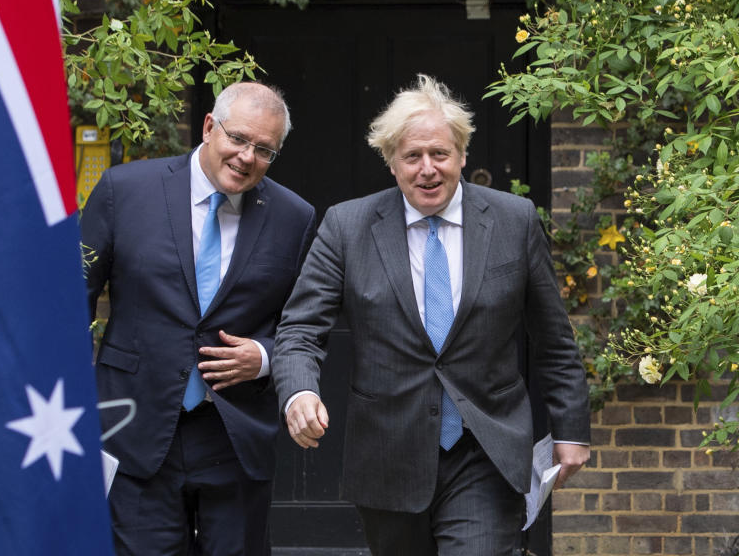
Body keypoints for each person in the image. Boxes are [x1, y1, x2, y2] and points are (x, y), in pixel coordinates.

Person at [272, 74, 590, 555]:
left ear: (462, 154)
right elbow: (299, 327)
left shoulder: (513, 220)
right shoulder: (348, 226)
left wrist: (570, 430)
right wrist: (298, 391)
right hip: (387, 453)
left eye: (440, 154)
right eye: (412, 156)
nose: (428, 169)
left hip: (485, 448)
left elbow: (554, 339)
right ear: (391, 162)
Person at [81, 81, 316, 556]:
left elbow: (304, 322)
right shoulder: (124, 191)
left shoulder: (294, 216)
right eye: (239, 139)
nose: (248, 157)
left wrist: (265, 356)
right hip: (134, 426)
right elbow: (69, 301)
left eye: (264, 150)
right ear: (210, 127)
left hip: (234, 435)